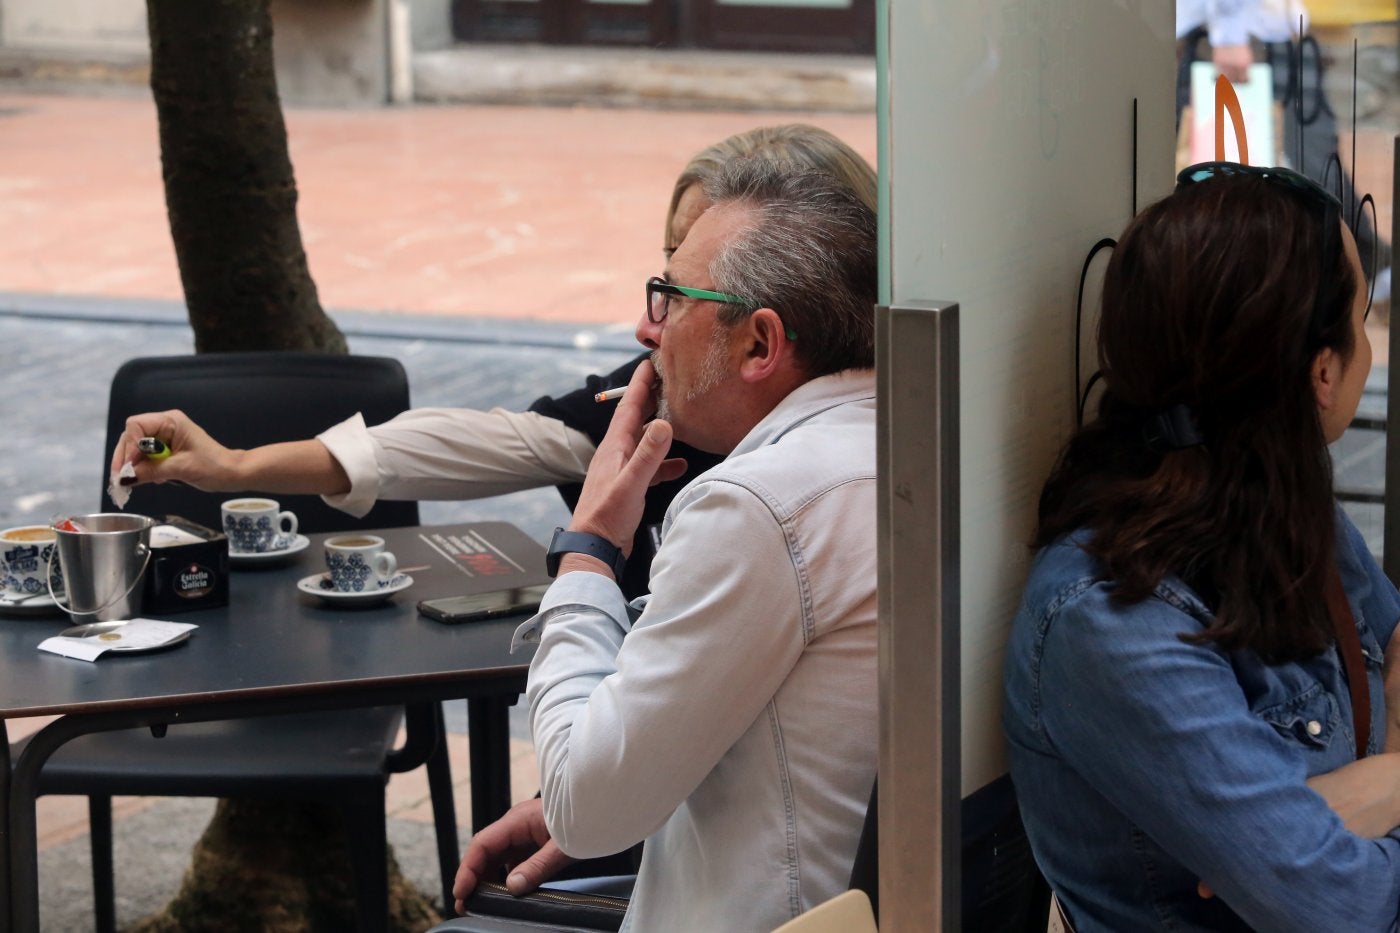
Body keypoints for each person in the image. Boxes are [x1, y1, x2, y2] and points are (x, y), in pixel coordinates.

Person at [108, 124, 877, 603]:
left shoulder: (820, 477)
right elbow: (482, 440)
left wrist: (587, 560)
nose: (650, 325)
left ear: (766, 328)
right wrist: (237, 467)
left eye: (685, 279)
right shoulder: (650, 403)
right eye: (668, 261)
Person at [451, 160, 879, 931]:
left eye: (673, 297)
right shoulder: (900, 440)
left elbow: (589, 807)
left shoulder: (756, 505)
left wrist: (588, 551)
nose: (646, 329)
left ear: (759, 343)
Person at [1003, 162, 1400, 932]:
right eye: (1360, 323)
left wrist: (1389, 782)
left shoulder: (1274, 502)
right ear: (1323, 372)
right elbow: (1339, 905)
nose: (1368, 346)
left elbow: (1394, 635)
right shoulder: (1110, 617)